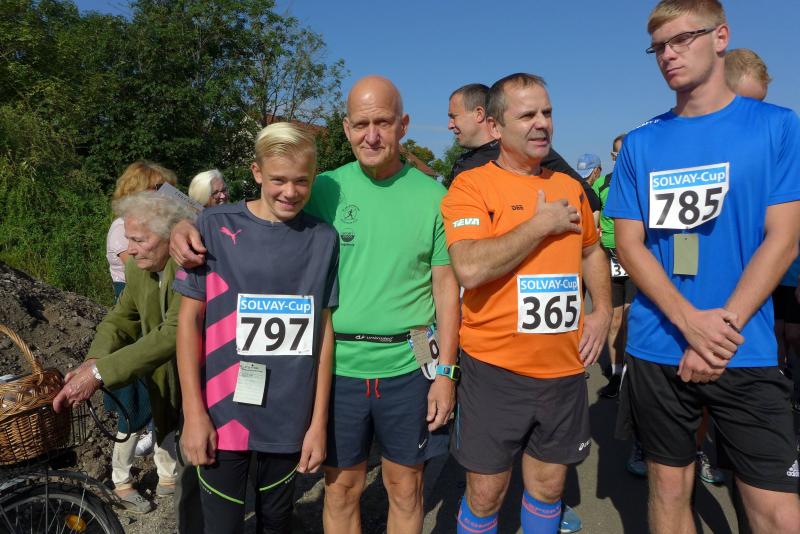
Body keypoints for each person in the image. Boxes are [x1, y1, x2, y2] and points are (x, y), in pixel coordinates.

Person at [170, 75, 460, 534]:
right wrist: (182, 227)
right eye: (361, 124)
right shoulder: (323, 187)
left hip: (409, 362)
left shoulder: (434, 196)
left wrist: (446, 373)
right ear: (346, 128)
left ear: (403, 125)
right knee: (341, 489)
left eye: (383, 123)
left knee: (406, 488)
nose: (371, 136)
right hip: (339, 366)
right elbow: (257, 215)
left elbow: (446, 289)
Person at [605, 1, 800, 532]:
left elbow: (783, 240)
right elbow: (630, 246)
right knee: (669, 492)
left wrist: (718, 331)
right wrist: (689, 322)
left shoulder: (778, 126)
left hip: (743, 344)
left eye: (682, 39)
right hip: (659, 345)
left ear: (720, 37)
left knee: (777, 510)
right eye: (658, 46)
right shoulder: (641, 143)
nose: (668, 54)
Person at [441, 72, 611, 534]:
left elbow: (592, 250)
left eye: (547, 113)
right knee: (485, 494)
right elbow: (469, 267)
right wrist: (538, 226)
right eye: (527, 115)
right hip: (495, 370)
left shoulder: (568, 186)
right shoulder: (471, 187)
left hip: (564, 369)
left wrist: (600, 311)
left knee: (549, 489)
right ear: (496, 127)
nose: (542, 123)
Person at [174, 123, 338, 533]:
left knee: (277, 524)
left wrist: (318, 424)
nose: (290, 192)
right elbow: (189, 322)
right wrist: (193, 413)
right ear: (257, 172)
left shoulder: (323, 239)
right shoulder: (212, 225)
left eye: (302, 181)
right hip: (222, 415)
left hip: (288, 418)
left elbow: (324, 335)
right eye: (279, 179)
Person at [54, 191, 195, 516]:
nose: (129, 249)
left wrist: (100, 374)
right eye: (129, 238)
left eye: (139, 240)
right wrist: (94, 359)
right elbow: (121, 318)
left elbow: (173, 333)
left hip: (206, 387)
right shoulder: (138, 269)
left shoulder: (190, 268)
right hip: (173, 389)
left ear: (170, 236)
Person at [102, 162, 179, 512]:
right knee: (133, 409)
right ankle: (121, 478)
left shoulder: (170, 237)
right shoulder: (127, 232)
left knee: (163, 403)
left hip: (158, 325)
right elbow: (129, 306)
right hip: (139, 330)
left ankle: (168, 474)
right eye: (155, 190)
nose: (164, 197)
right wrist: (98, 367)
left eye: (165, 191)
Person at [447, 83, 602, 216]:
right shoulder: (464, 164)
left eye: (454, 116)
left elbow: (590, 200)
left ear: (479, 114)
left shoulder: (530, 151)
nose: (450, 125)